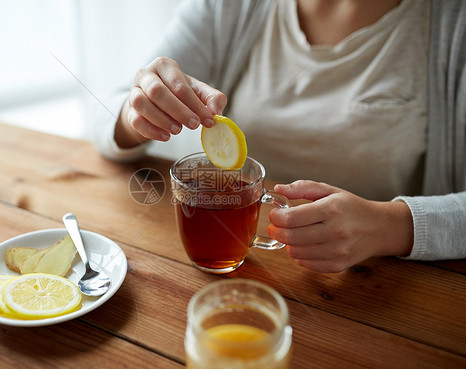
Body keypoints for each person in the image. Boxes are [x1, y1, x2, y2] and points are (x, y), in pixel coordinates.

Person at [92, 0, 466, 272]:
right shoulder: (230, 8)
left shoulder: (453, 24)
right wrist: (137, 111)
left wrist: (391, 225)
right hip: (246, 277)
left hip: (387, 289)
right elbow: (105, 114)